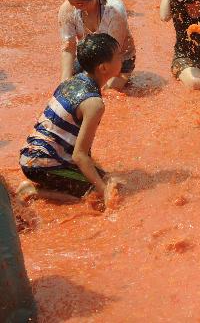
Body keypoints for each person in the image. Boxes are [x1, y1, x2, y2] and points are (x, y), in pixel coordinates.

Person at [17, 33, 122, 206]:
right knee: (94, 194)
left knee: (107, 179)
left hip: (31, 156)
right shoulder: (94, 104)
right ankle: (33, 191)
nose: (122, 57)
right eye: (118, 55)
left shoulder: (73, 80)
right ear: (103, 68)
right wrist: (105, 193)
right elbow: (80, 155)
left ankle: (51, 181)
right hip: (41, 165)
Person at [58, 0, 136, 90]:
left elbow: (113, 52)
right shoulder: (67, 9)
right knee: (72, 87)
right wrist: (64, 83)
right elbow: (69, 47)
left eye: (80, 4)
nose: (76, 8)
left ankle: (124, 75)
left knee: (110, 91)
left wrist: (98, 86)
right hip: (88, 57)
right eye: (72, 3)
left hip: (118, 57)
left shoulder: (114, 10)